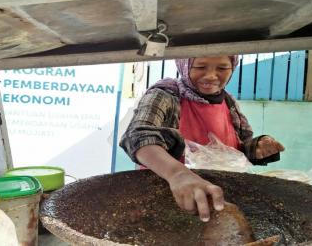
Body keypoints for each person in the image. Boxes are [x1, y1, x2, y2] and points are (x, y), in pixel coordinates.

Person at [120, 56, 285, 222]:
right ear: (184, 65)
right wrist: (178, 175)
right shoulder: (165, 94)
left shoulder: (229, 102)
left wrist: (257, 147)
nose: (211, 76)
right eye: (200, 67)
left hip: (218, 204)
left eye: (222, 68)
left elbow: (237, 150)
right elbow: (137, 136)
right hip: (165, 203)